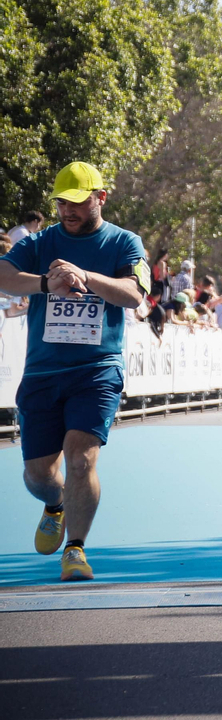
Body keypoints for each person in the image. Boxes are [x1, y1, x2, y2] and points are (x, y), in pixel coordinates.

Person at [0, 163, 149, 582]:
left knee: (81, 459)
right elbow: (3, 274)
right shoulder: (42, 242)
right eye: (62, 201)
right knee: (38, 475)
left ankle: (76, 549)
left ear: (101, 197)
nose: (68, 209)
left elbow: (135, 294)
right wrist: (48, 284)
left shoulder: (125, 242)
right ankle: (55, 504)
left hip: (97, 370)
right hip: (43, 373)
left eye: (78, 201)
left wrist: (86, 276)